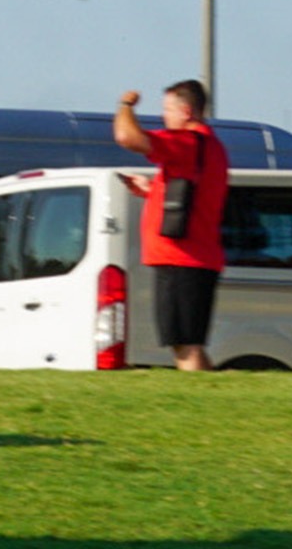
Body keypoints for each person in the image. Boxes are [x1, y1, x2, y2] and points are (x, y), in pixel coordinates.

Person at [113, 80, 230, 371]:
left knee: (186, 345)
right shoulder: (209, 147)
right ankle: (211, 396)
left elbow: (128, 137)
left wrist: (126, 105)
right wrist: (152, 189)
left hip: (182, 258)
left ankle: (202, 406)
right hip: (194, 257)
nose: (164, 117)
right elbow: (195, 194)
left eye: (167, 109)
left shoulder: (188, 142)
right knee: (187, 342)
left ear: (186, 111)